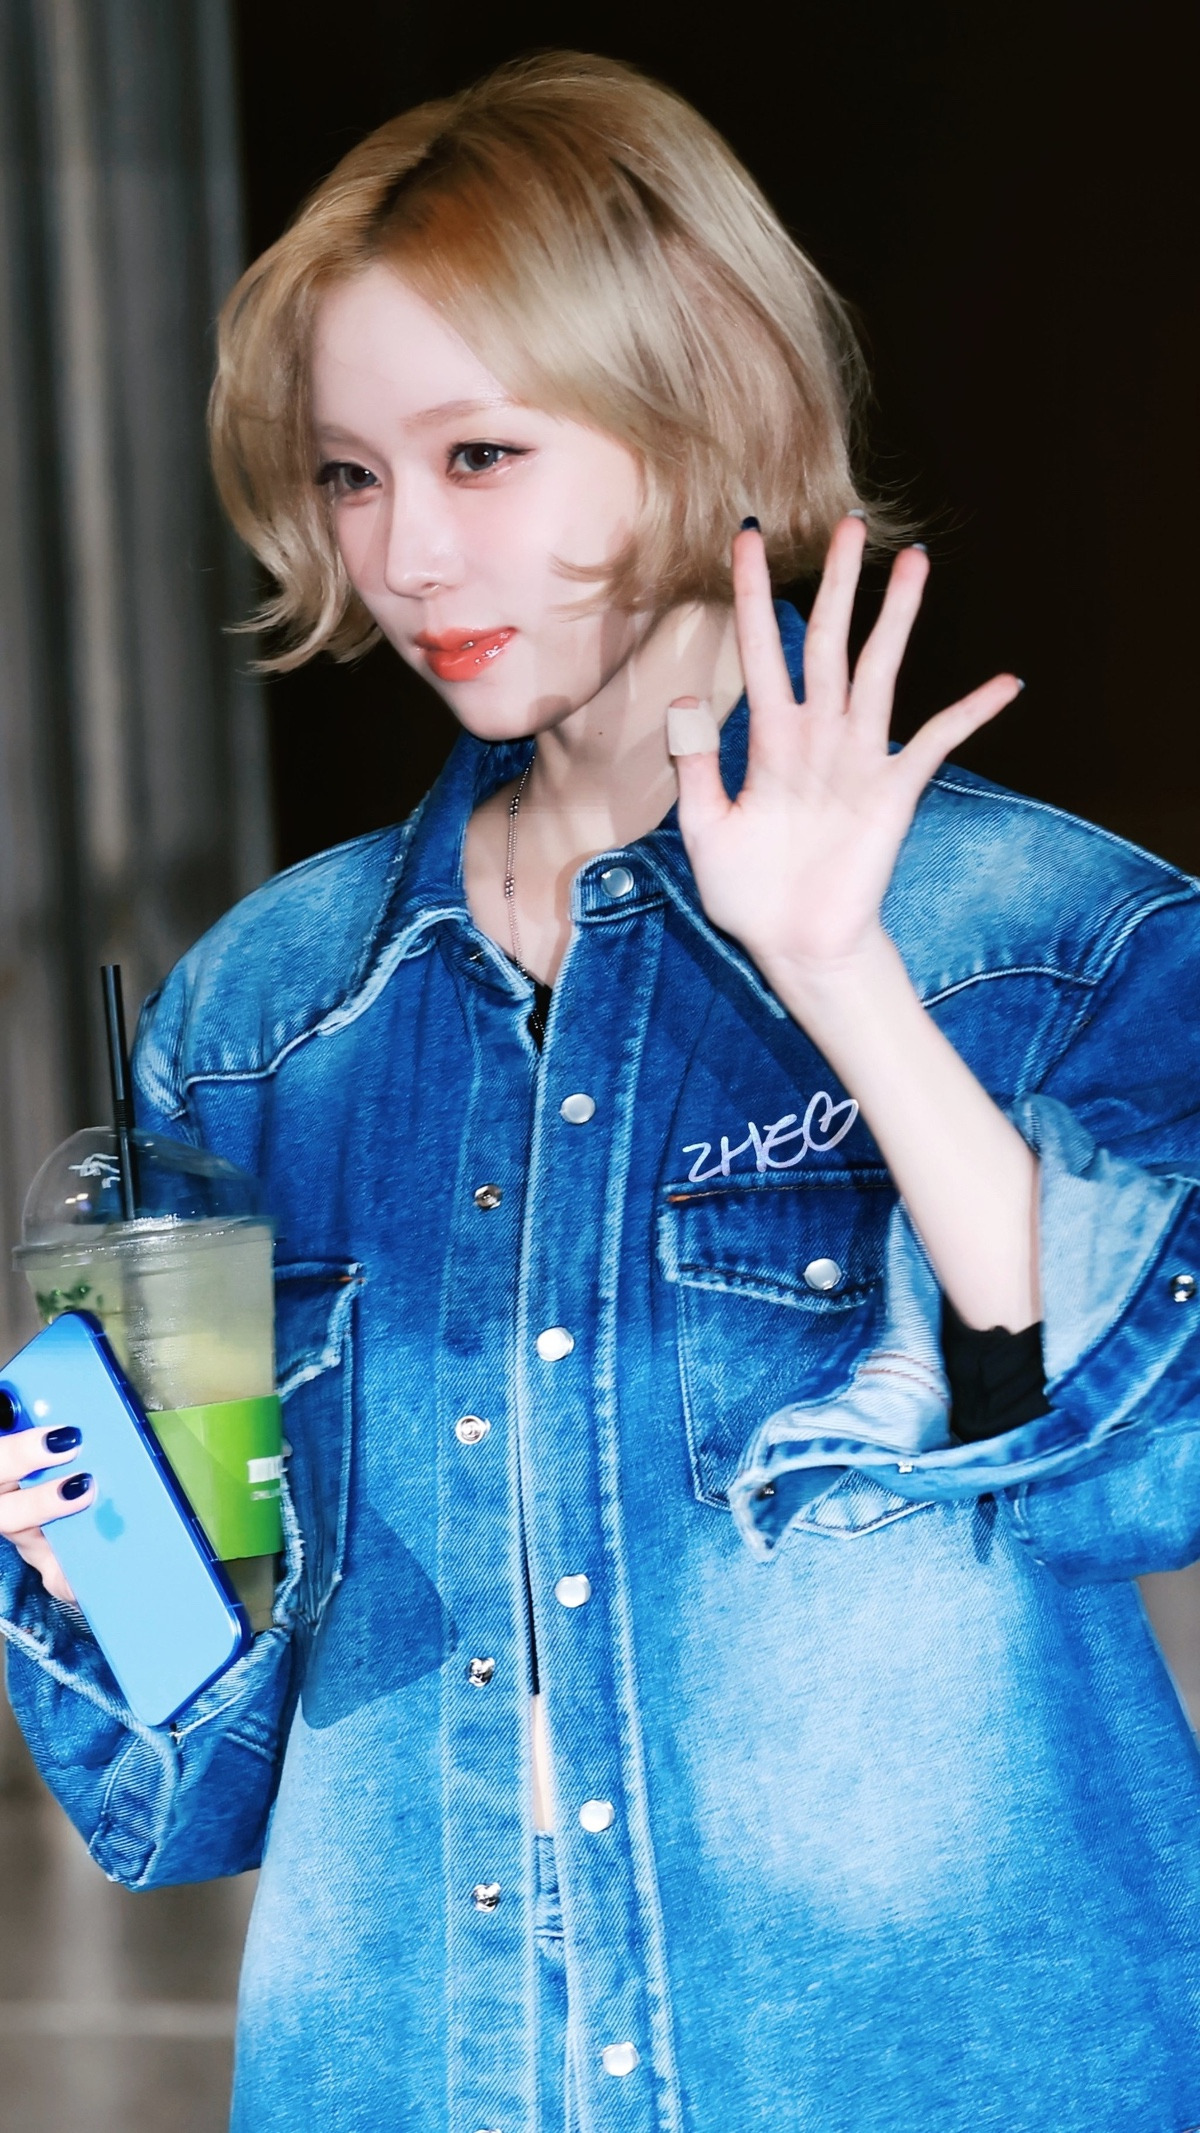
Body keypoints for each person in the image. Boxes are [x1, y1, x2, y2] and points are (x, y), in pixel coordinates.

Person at [2, 49, 1199, 2133]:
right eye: (350, 474)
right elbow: (189, 1778)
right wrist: (81, 1526)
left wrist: (840, 975)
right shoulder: (264, 1020)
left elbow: (1153, 1458)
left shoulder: (1050, 938)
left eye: (479, 454)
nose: (404, 554)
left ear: (692, 408)